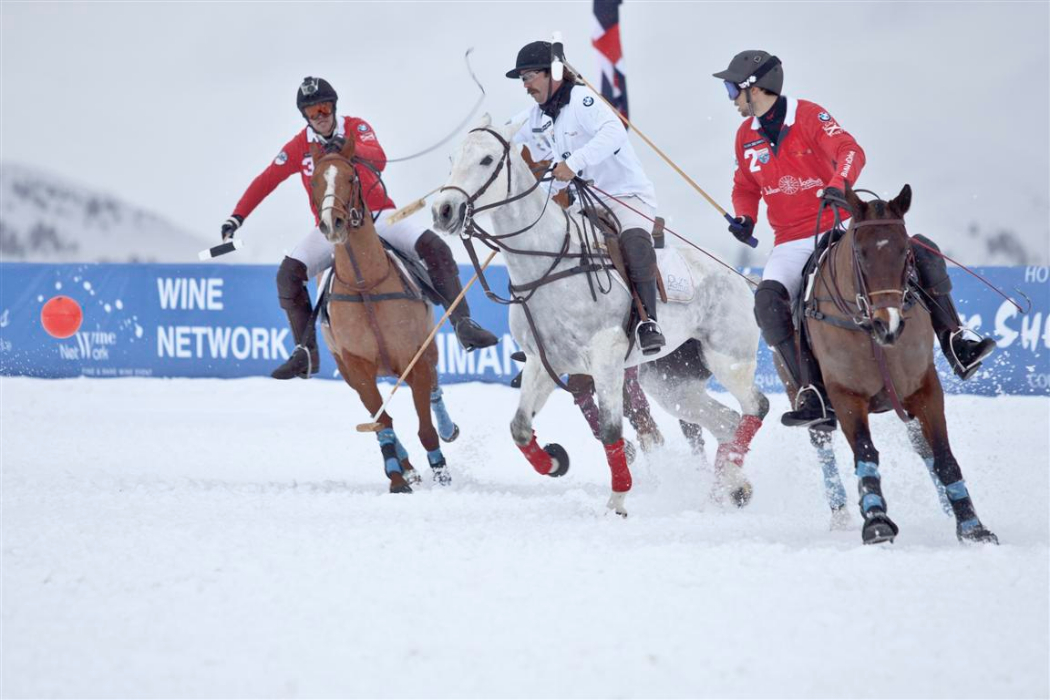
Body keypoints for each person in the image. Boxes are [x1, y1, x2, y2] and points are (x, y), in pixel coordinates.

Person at [714, 51, 996, 430]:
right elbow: (744, 186)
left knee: (922, 251)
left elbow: (851, 151)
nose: (731, 97)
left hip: (842, 227)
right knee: (767, 302)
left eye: (734, 88)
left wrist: (836, 186)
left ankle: (955, 341)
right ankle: (810, 391)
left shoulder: (809, 115)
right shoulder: (745, 137)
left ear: (756, 88)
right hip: (790, 242)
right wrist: (745, 217)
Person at [219, 76, 498, 380]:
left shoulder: (355, 127)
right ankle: (305, 352)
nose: (321, 118)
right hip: (334, 230)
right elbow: (267, 179)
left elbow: (379, 158)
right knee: (287, 275)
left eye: (324, 109)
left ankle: (463, 325)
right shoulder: (300, 145)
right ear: (305, 117)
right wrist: (237, 216)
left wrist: (351, 149)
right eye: (313, 114)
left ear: (334, 107)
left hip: (380, 216)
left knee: (436, 248)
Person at [506, 41, 665, 355]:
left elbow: (614, 132)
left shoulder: (583, 99)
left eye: (529, 77)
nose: (525, 86)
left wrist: (573, 163)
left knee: (633, 242)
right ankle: (546, 332)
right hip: (584, 203)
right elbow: (507, 131)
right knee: (547, 247)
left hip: (625, 195)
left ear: (552, 73)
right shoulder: (539, 115)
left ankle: (648, 322)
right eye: (522, 79)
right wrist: (483, 140)